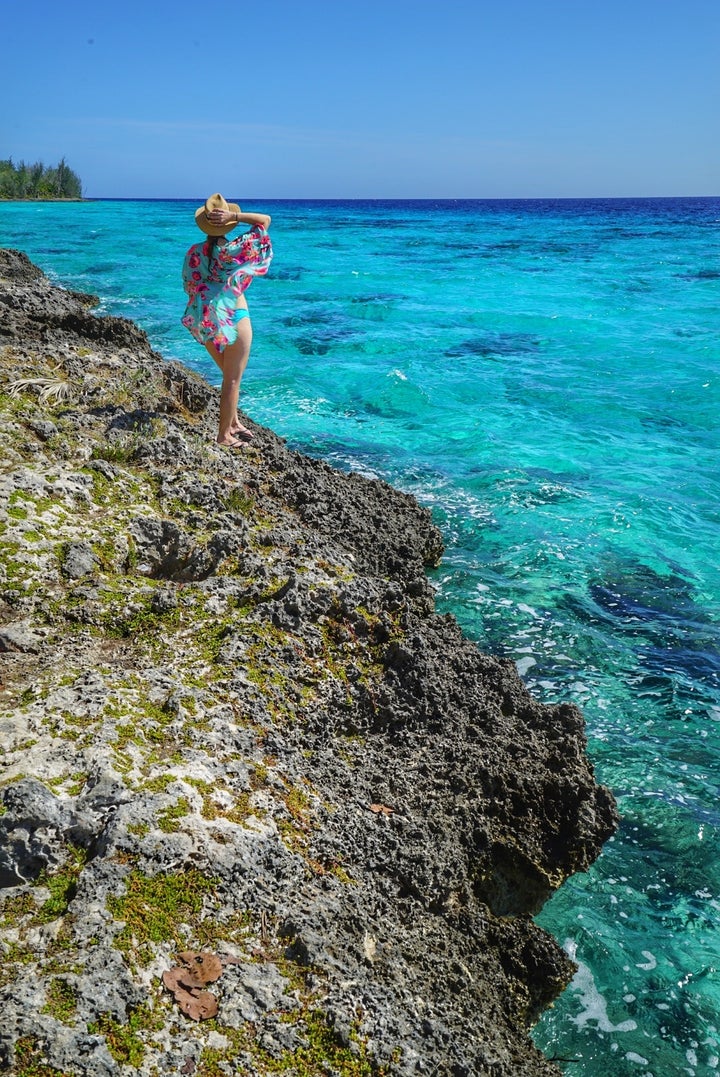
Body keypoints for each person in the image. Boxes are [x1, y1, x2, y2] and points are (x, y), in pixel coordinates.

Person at [181, 193, 273, 447]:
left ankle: (233, 422)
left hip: (204, 318)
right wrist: (234, 216)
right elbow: (264, 221)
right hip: (233, 315)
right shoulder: (234, 250)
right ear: (226, 223)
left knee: (229, 374)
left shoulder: (193, 252)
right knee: (233, 379)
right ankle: (223, 436)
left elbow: (189, 285)